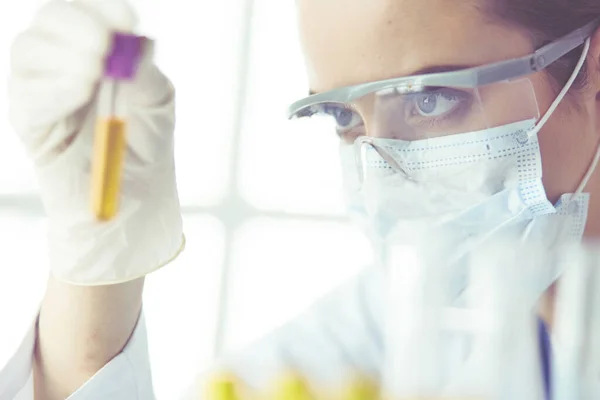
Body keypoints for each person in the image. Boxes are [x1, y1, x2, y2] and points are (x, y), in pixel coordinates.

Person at [1, 0, 600, 398]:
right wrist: (97, 271)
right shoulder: (387, 325)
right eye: (343, 115)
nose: (380, 176)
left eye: (428, 100)